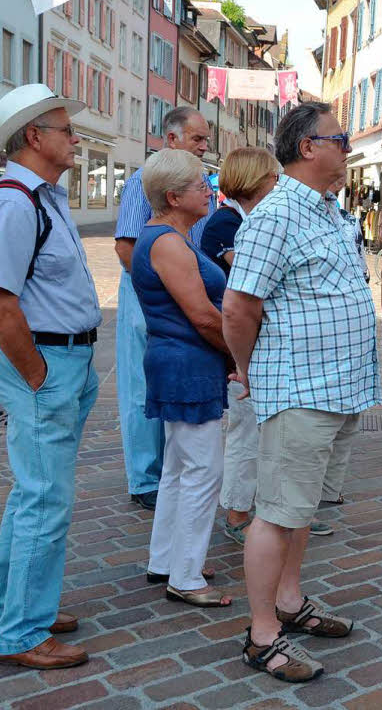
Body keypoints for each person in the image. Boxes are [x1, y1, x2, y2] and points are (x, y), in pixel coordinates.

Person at [223, 102, 379, 682]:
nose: (348, 145)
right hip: (299, 387)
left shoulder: (330, 212)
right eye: (339, 136)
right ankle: (263, 635)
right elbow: (239, 307)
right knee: (277, 513)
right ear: (308, 147)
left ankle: (290, 600)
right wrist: (247, 369)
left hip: (338, 387)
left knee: (302, 508)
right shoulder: (276, 214)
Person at [0, 84, 101, 668]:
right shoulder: (14, 203)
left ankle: (16, 607)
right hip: (44, 364)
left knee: (34, 497)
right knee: (45, 500)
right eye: (65, 129)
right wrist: (40, 376)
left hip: (66, 360)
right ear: (34, 137)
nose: (75, 138)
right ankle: (23, 632)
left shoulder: (44, 198)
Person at [198, 148, 321, 544]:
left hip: (272, 343)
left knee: (275, 436)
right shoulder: (226, 222)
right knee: (246, 431)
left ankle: (281, 512)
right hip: (243, 345)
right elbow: (255, 283)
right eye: (274, 175)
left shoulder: (257, 218)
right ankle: (237, 513)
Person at [133, 149, 230, 607]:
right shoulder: (168, 243)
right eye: (199, 185)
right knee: (202, 470)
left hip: (181, 361)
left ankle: (167, 559)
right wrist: (241, 356)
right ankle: (186, 577)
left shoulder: (171, 237)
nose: (208, 189)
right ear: (173, 196)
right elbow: (204, 317)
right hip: (188, 363)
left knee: (178, 467)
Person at [114, 106, 215, 511]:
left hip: (181, 289)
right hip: (149, 293)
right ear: (171, 139)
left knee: (169, 378)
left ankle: (168, 471)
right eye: (198, 139)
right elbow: (126, 248)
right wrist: (165, 290)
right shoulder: (145, 180)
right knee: (141, 384)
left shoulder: (200, 183)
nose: (205, 147)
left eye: (206, 140)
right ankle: (144, 477)